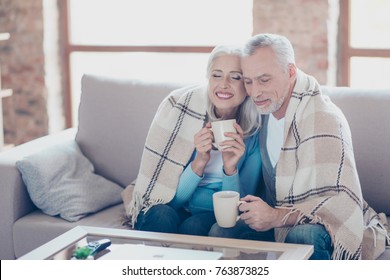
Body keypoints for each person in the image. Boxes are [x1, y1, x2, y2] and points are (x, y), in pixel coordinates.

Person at [209, 33, 389, 260]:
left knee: (304, 235)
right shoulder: (259, 112)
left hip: (318, 224)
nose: (255, 92)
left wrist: (276, 216)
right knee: (220, 231)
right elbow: (217, 90)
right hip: (274, 217)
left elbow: (339, 203)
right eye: (248, 81)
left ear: (291, 72)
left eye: (264, 80)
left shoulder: (323, 118)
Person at [121, 45, 262, 236]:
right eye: (217, 75)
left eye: (235, 77)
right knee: (159, 214)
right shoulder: (186, 120)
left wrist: (230, 168)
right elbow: (172, 200)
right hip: (177, 203)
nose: (224, 84)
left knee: (194, 227)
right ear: (208, 79)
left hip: (213, 213)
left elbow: (237, 208)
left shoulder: (254, 135)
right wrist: (200, 161)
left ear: (246, 84)